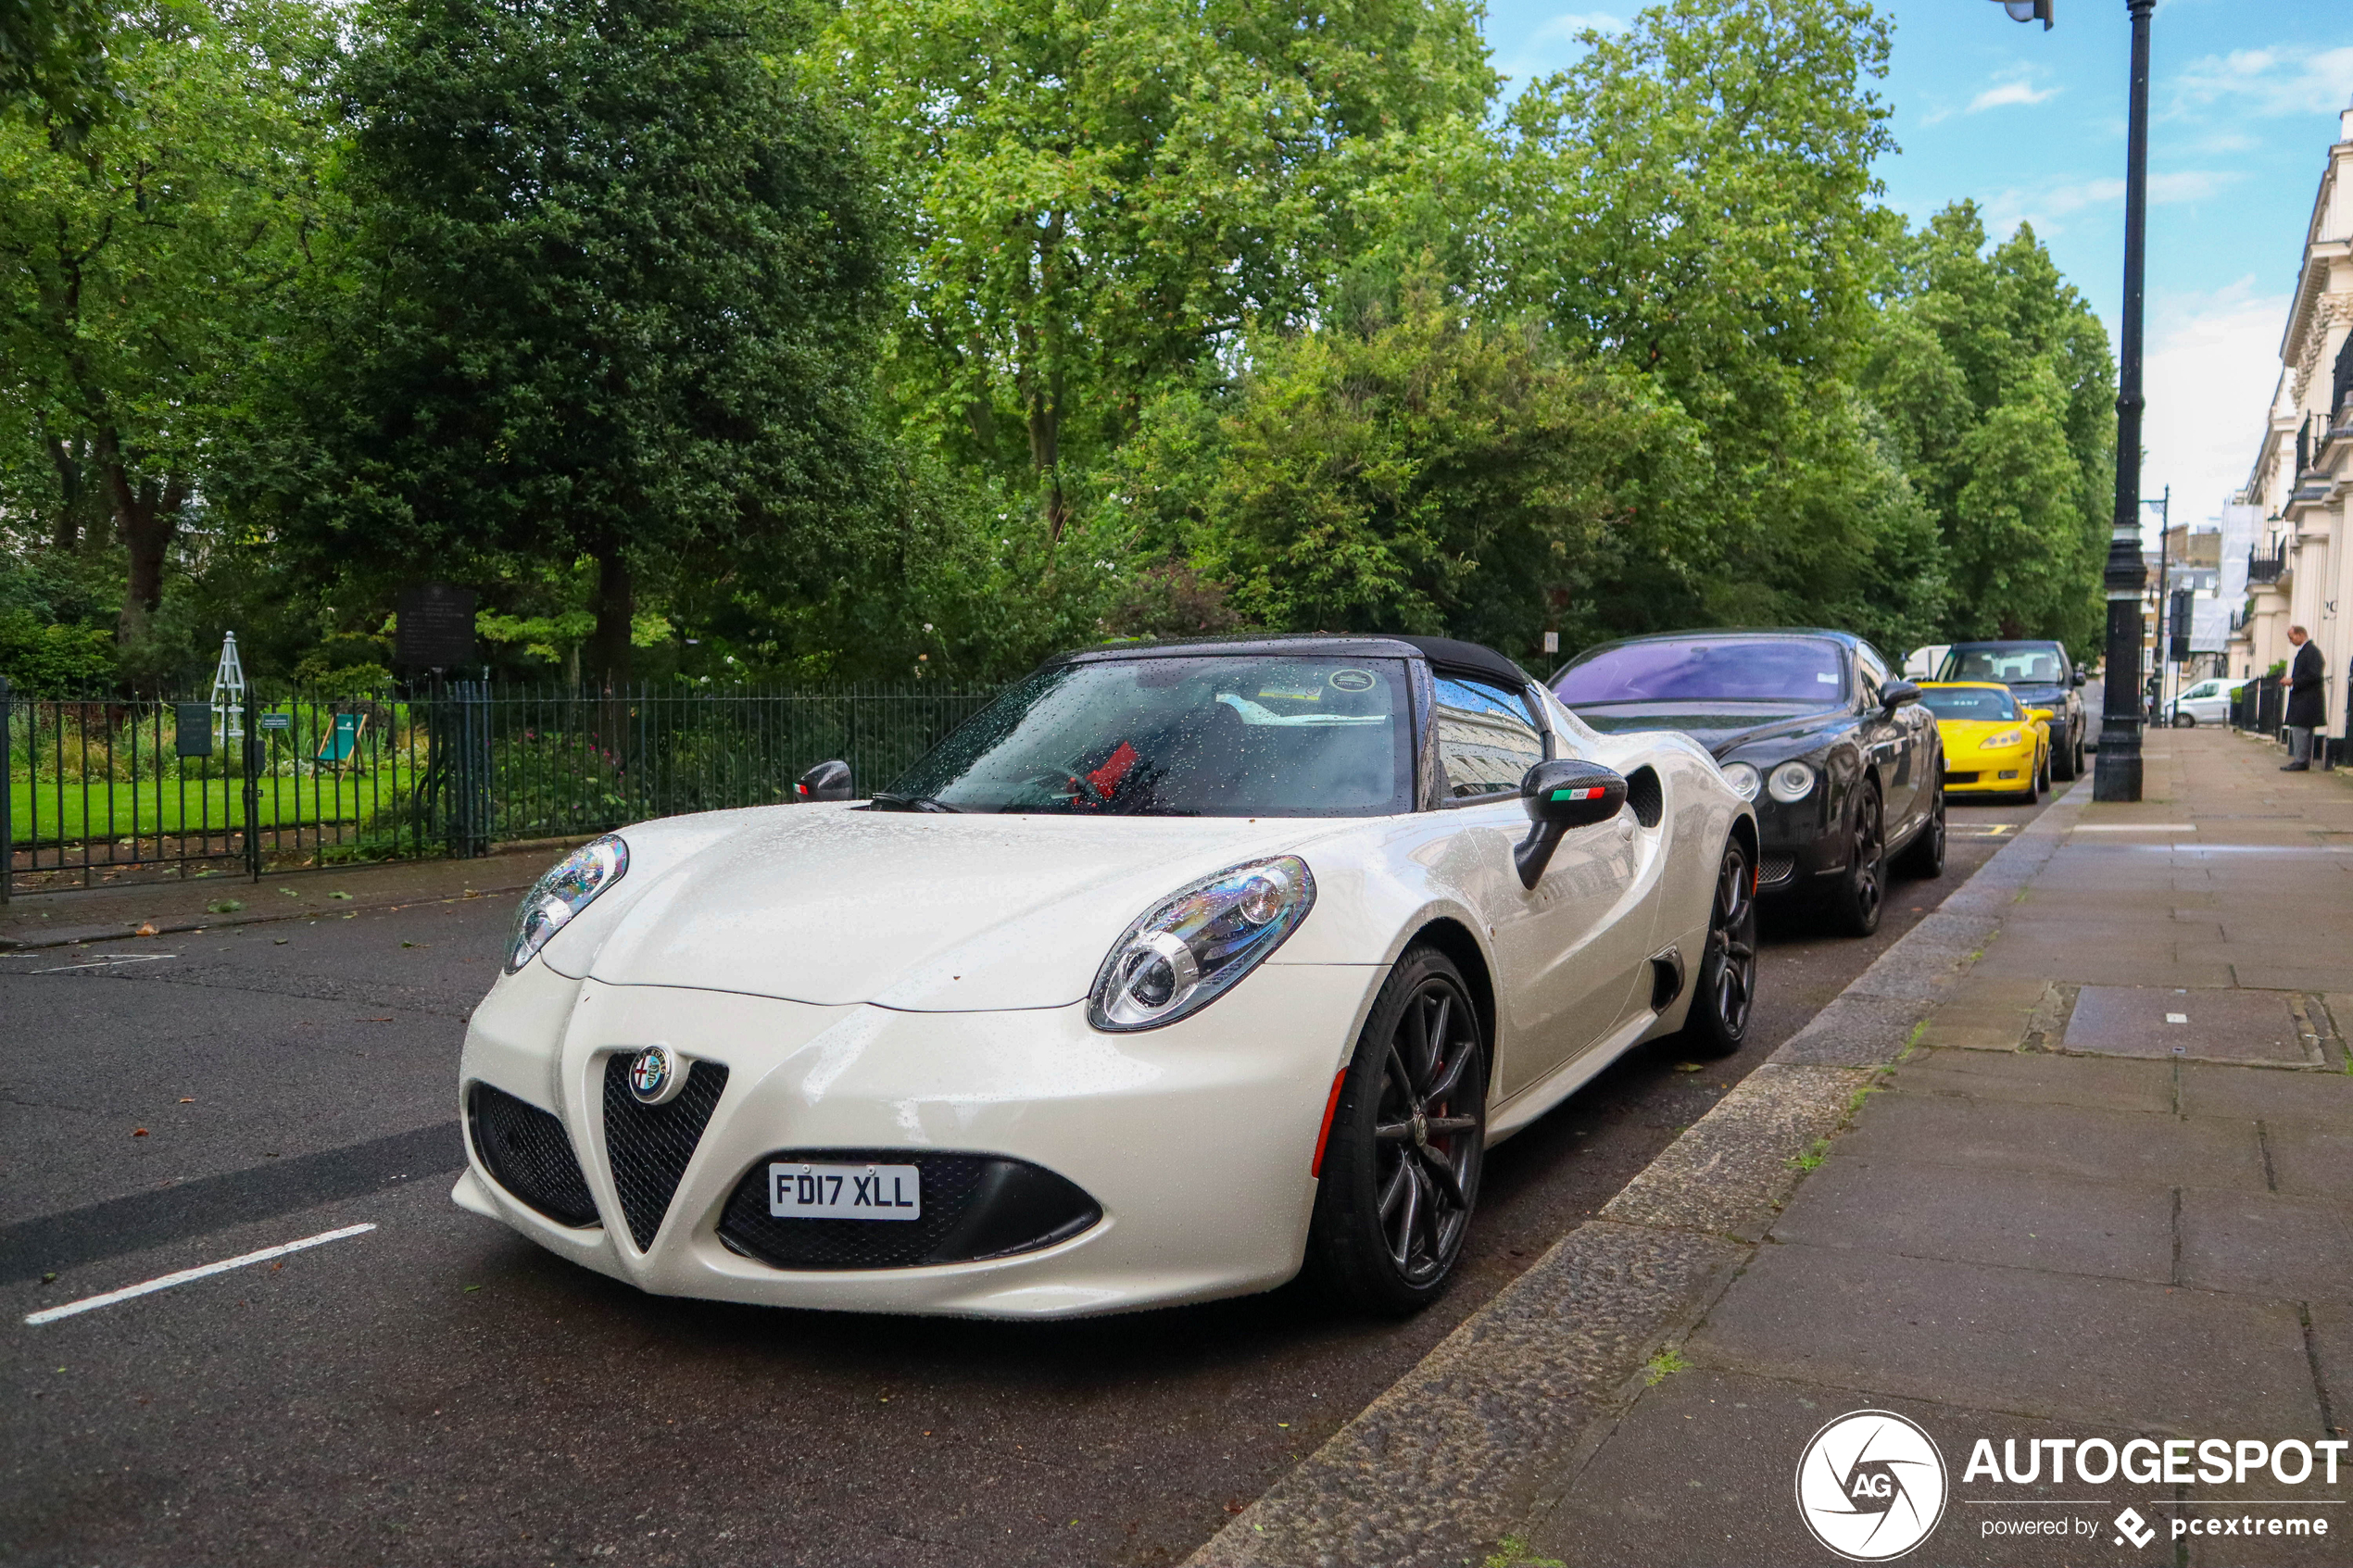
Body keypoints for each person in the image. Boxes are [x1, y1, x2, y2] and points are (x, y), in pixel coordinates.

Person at [2281, 625, 2324, 771]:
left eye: (2291, 637)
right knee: (2302, 730)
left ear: (2300, 635)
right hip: (2305, 698)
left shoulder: (2311, 652)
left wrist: (2293, 681)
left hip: (2306, 699)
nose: (2291, 641)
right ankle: (2302, 759)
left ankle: (2301, 760)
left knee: (2300, 729)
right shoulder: (2308, 652)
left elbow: (2314, 675)